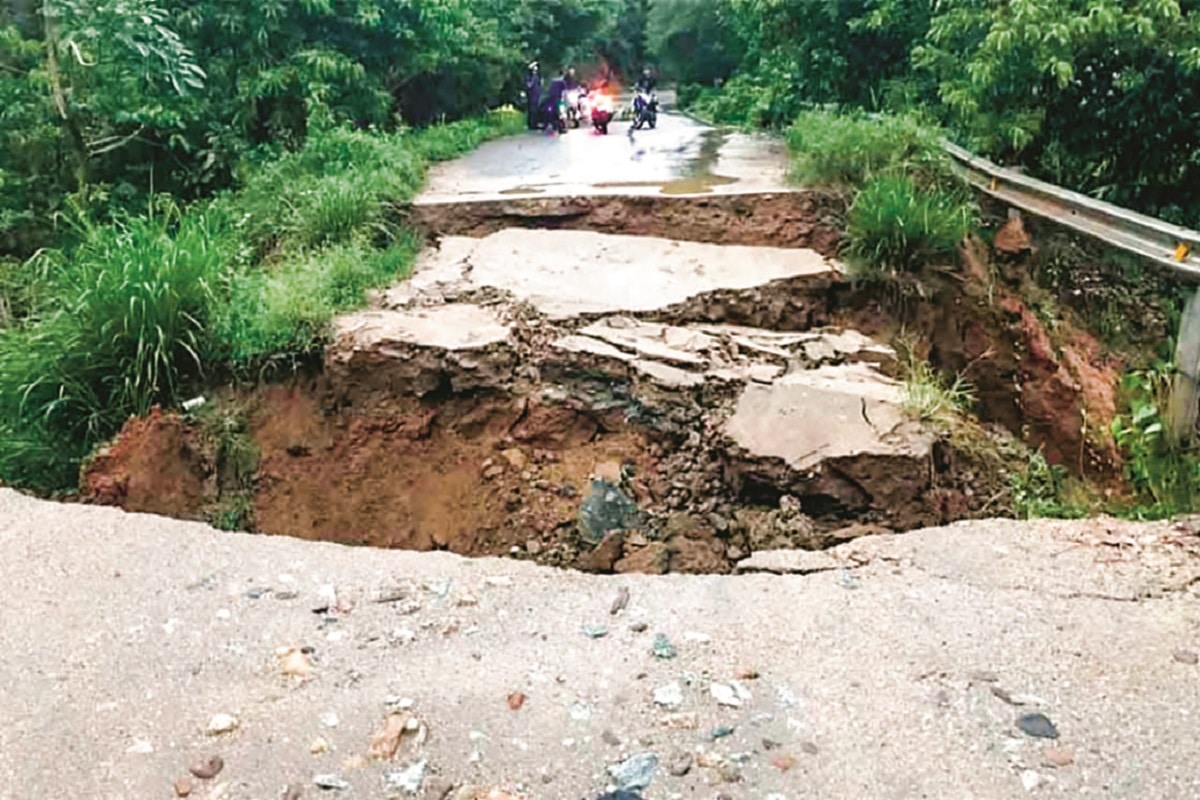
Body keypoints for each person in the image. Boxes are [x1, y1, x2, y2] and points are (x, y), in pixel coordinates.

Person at [524, 62, 542, 130]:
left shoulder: (537, 76)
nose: (536, 69)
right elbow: (528, 85)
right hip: (531, 95)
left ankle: (535, 123)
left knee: (536, 110)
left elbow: (539, 85)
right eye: (534, 68)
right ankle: (531, 124)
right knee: (531, 110)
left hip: (536, 95)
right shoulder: (529, 77)